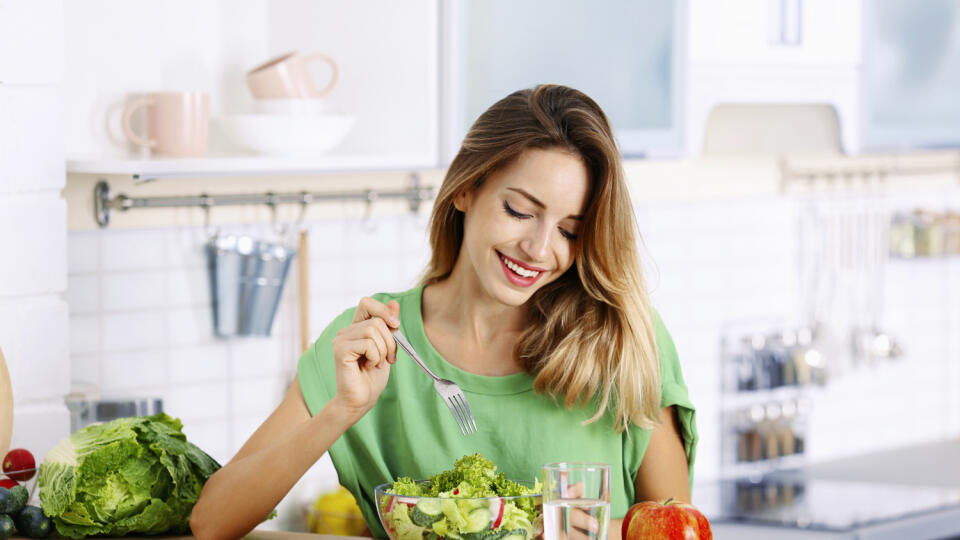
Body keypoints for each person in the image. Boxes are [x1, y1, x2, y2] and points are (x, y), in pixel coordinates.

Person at [190, 84, 698, 540]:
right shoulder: (370, 344)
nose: (540, 249)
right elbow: (212, 521)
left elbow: (678, 529)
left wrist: (564, 530)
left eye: (569, 230)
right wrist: (342, 411)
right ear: (466, 188)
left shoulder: (624, 339)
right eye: (520, 211)